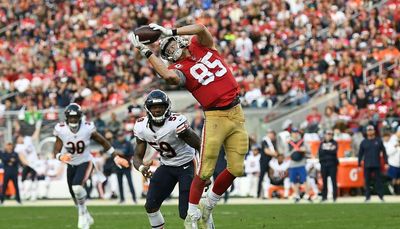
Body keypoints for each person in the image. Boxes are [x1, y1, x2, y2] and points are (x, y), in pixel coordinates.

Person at [128, 23, 249, 229]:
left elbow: (201, 28)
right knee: (205, 169)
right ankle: (193, 213)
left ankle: (208, 205)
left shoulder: (201, 45)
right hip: (215, 116)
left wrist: (170, 31)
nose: (170, 49)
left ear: (181, 40)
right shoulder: (178, 69)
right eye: (165, 51)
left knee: (237, 168)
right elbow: (168, 77)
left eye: (171, 44)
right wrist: (146, 50)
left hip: (236, 112)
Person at [114, 90, 212, 229]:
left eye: (161, 106)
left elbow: (200, 145)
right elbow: (137, 157)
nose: (158, 110)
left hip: (187, 164)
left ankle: (207, 222)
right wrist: (142, 168)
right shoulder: (141, 127)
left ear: (167, 107)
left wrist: (204, 172)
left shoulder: (176, 122)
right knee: (151, 206)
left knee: (187, 213)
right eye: (154, 107)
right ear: (148, 109)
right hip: (167, 165)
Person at [52, 103, 120, 229]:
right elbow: (56, 150)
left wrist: (115, 156)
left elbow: (103, 141)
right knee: (74, 196)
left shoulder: (87, 128)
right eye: (71, 117)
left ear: (80, 117)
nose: (73, 120)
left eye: (75, 117)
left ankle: (82, 215)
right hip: (71, 164)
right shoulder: (61, 129)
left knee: (77, 188)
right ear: (67, 118)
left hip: (85, 162)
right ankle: (86, 214)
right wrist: (60, 157)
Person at [358, 125, 388, 202]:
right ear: (366, 132)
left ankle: (381, 196)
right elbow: (360, 154)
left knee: (378, 181)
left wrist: (386, 162)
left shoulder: (378, 141)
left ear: (374, 131)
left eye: (371, 130)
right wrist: (358, 164)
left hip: (376, 164)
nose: (370, 131)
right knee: (367, 181)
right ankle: (367, 197)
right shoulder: (364, 142)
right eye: (368, 130)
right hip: (367, 164)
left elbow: (384, 152)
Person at [112, 131, 137, 204]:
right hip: (118, 166)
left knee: (130, 182)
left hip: (126, 166)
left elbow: (128, 153)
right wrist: (119, 152)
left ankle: (134, 198)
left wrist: (118, 152)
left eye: (121, 136)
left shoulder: (128, 143)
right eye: (119, 136)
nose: (120, 137)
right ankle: (122, 199)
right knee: (120, 183)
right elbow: (112, 153)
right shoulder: (115, 143)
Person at [286, 128, 309, 203]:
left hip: (301, 163)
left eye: (296, 133)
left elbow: (309, 151)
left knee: (304, 180)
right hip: (293, 164)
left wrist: (304, 150)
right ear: (291, 134)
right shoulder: (289, 143)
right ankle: (297, 195)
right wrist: (294, 150)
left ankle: (307, 195)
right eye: (294, 133)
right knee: (294, 181)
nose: (295, 134)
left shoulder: (302, 142)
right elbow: (286, 154)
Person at [318, 129, 339, 202]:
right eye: (328, 134)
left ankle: (334, 197)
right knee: (324, 181)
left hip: (332, 164)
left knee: (333, 181)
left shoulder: (335, 143)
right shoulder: (321, 143)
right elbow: (320, 152)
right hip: (324, 164)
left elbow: (334, 151)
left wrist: (326, 150)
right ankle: (324, 197)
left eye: (330, 134)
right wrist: (329, 149)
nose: (329, 136)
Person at [258, 130, 278, 198]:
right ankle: (259, 193)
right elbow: (266, 151)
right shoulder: (265, 141)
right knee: (262, 177)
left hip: (270, 162)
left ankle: (269, 193)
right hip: (264, 161)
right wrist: (275, 154)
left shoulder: (272, 142)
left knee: (269, 177)